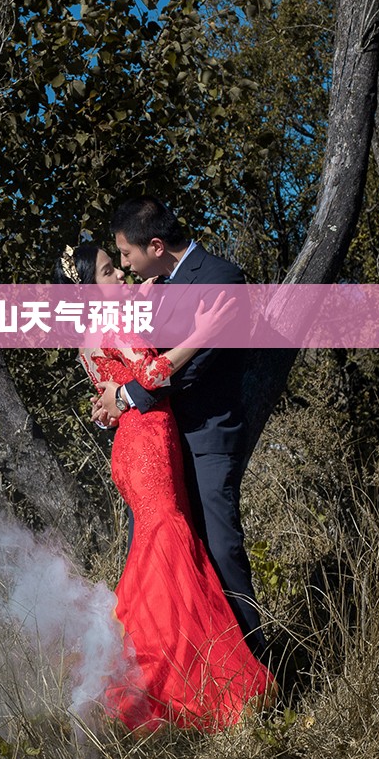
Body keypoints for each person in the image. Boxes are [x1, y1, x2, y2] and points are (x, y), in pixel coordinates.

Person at [61, 240, 272, 732]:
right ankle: (194, 684)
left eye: (118, 268)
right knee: (169, 547)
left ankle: (156, 672)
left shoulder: (95, 328)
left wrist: (143, 297)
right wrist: (203, 332)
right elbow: (153, 372)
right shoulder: (107, 322)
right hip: (146, 440)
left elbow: (118, 379)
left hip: (139, 439)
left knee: (158, 551)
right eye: (110, 273)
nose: (120, 278)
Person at [91, 197, 268, 667]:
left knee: (220, 545)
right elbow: (129, 356)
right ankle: (169, 667)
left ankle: (254, 664)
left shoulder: (222, 279)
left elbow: (194, 370)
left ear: (154, 245)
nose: (125, 267)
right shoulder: (146, 292)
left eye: (126, 256)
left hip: (204, 434)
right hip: (154, 443)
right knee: (157, 555)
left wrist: (124, 396)